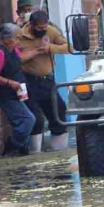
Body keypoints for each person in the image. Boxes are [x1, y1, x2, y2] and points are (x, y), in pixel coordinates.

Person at [0, 23, 42, 156]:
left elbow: (19, 59)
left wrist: (38, 51)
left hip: (19, 91)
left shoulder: (12, 48)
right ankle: (12, 148)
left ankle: (22, 149)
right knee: (28, 119)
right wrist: (10, 82)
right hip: (6, 94)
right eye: (16, 38)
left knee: (25, 120)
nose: (18, 41)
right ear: (5, 39)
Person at [19, 11, 72, 153]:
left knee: (59, 110)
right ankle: (35, 152)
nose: (43, 31)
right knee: (35, 117)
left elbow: (69, 47)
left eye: (45, 28)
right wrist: (35, 52)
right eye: (40, 28)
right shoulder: (19, 36)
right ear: (31, 25)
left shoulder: (50, 31)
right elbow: (15, 58)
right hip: (28, 81)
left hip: (48, 81)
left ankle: (59, 149)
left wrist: (50, 48)